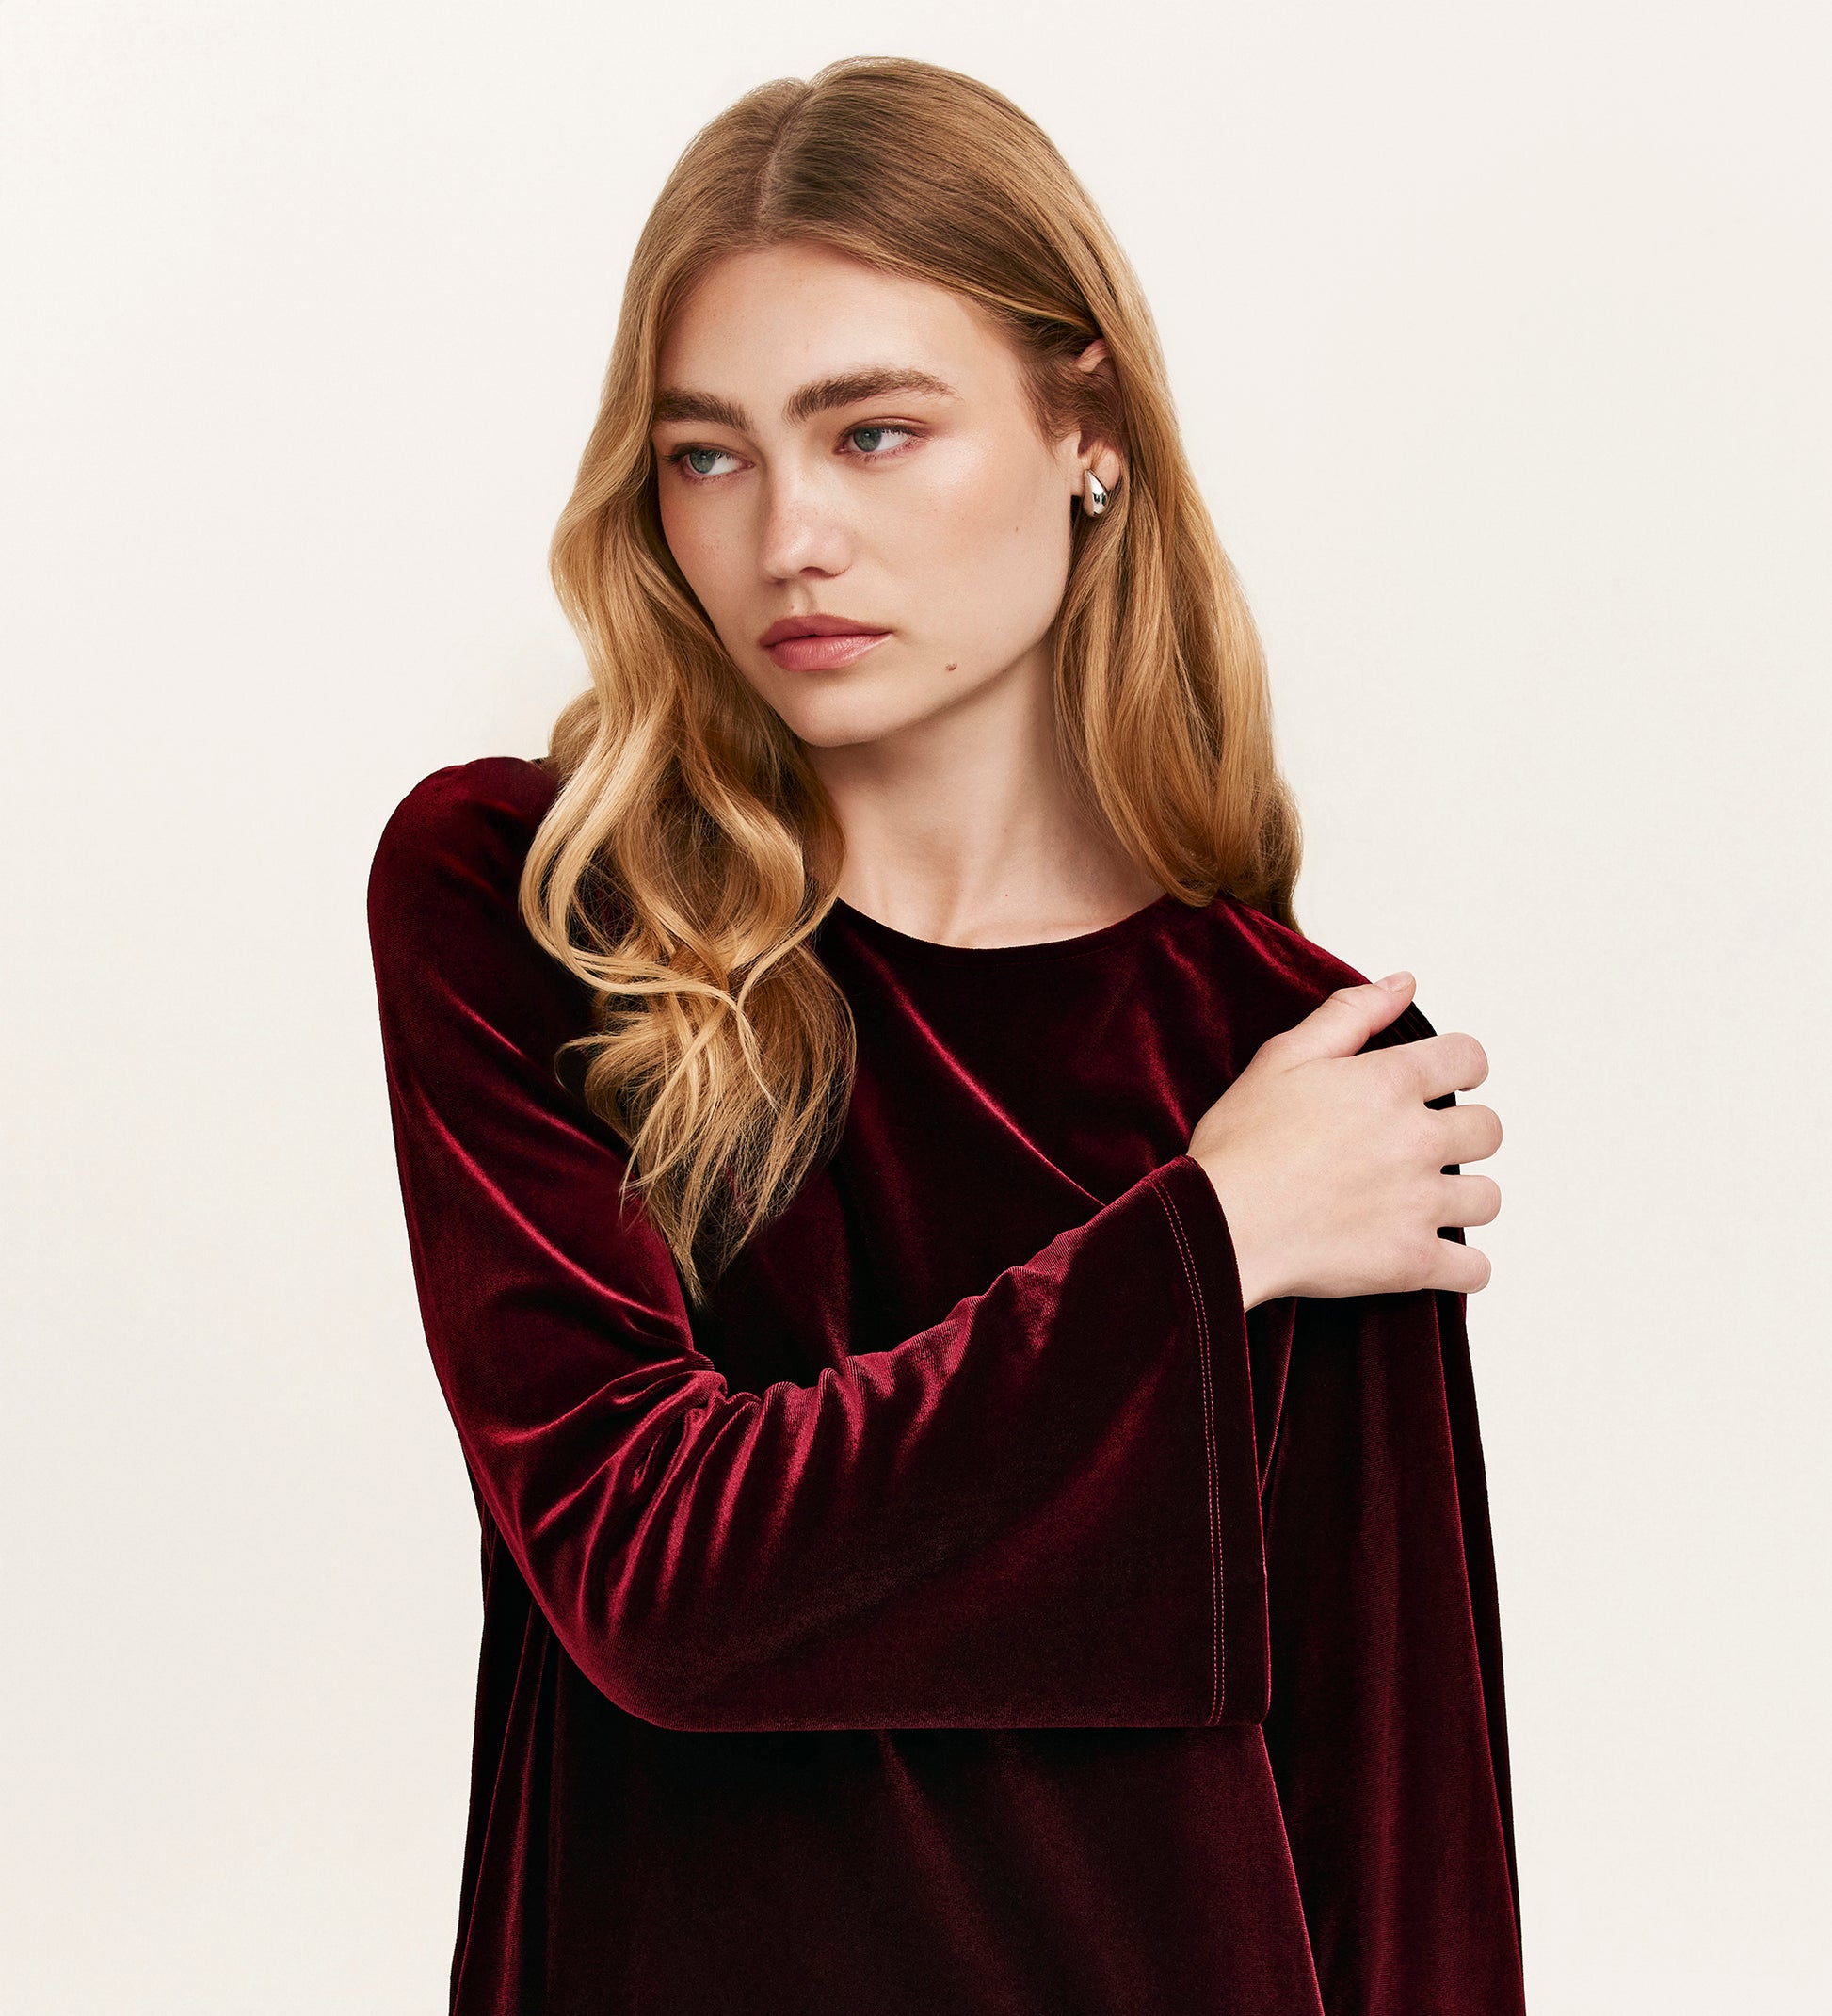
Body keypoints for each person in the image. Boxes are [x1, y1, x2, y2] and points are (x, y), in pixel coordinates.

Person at [367, 55, 1522, 2016]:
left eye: (873, 434)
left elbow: (1395, 1816)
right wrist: (1204, 1245)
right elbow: (654, 1585)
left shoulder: (1295, 1065)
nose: (786, 538)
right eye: (708, 455)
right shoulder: (537, 909)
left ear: (1090, 431)